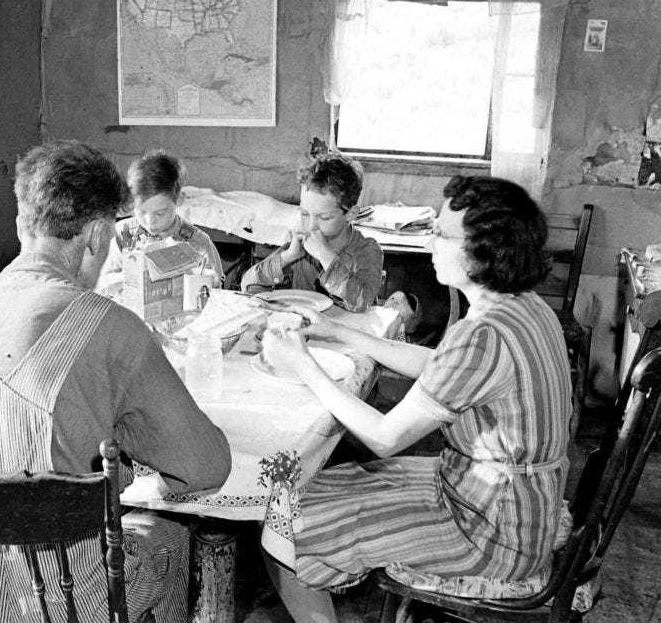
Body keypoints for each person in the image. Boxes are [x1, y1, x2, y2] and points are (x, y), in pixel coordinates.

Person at [0, 140, 232, 621]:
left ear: (20, 223)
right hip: (74, 605)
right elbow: (205, 468)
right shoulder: (114, 328)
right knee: (171, 537)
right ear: (97, 235)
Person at [260, 176, 571, 622]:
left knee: (285, 519)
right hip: (508, 501)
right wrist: (339, 332)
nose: (430, 241)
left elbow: (385, 437)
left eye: (442, 233)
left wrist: (302, 363)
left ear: (484, 250)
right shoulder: (522, 306)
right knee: (310, 484)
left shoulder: (483, 335)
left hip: (494, 530)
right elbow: (439, 365)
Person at [240, 154, 382, 312]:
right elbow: (248, 284)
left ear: (351, 214)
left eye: (324, 217)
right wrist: (287, 257)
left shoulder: (367, 249)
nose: (312, 226)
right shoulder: (301, 243)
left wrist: (325, 256)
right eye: (305, 214)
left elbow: (362, 302)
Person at [99, 149, 224, 285]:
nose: (150, 222)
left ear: (179, 200)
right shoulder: (122, 235)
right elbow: (104, 282)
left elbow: (214, 292)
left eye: (160, 213)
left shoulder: (199, 244)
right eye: (141, 212)